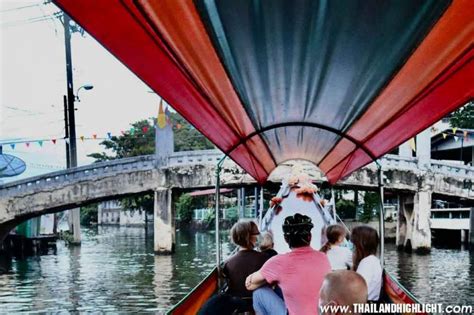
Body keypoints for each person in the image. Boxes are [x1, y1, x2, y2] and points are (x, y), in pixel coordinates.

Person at [245, 213, 331, 315]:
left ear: (286, 239)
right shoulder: (323, 258)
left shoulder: (279, 262)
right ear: (310, 237)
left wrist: (270, 279)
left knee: (259, 293)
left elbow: (250, 285)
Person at [199, 220, 267, 314]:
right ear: (249, 237)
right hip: (259, 303)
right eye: (255, 234)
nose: (257, 236)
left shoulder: (227, 263)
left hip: (236, 306)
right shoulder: (265, 259)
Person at [351, 226, 382, 301]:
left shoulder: (367, 263)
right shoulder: (372, 260)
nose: (353, 248)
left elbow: (357, 292)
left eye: (354, 244)